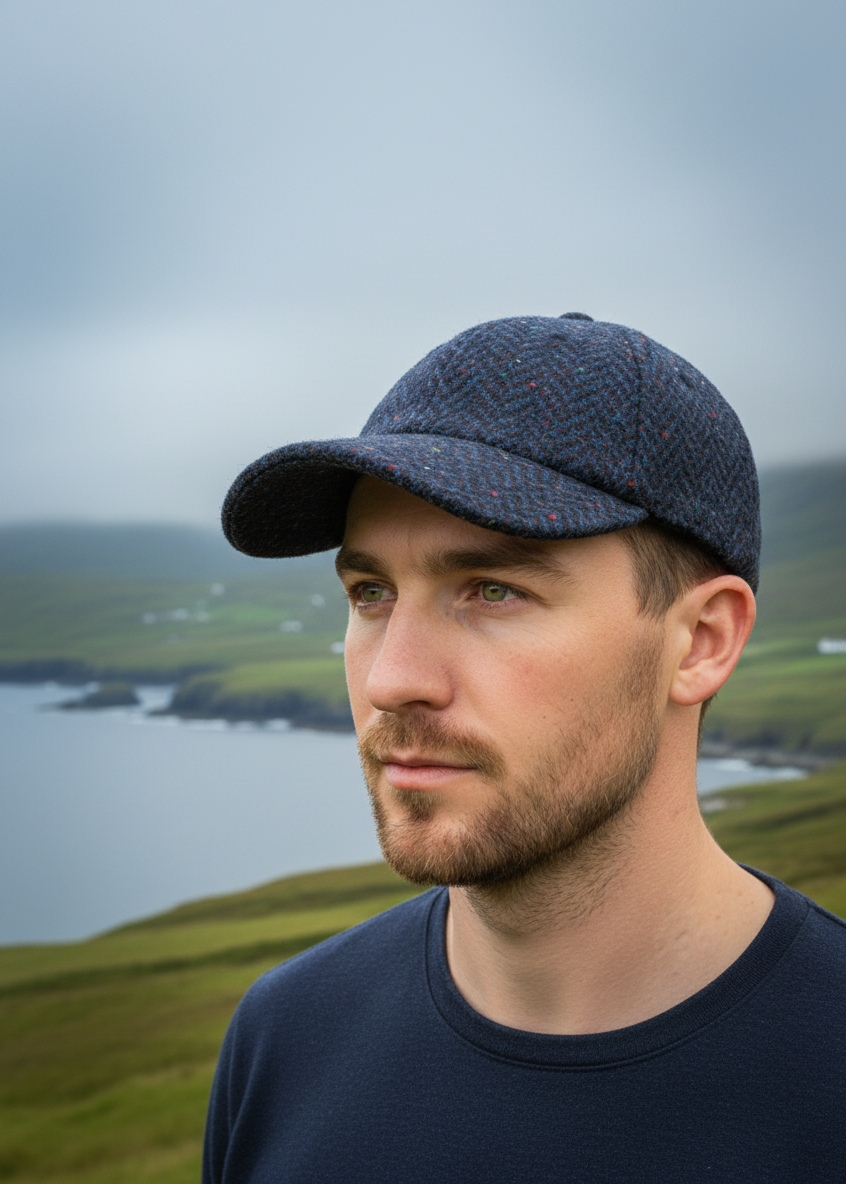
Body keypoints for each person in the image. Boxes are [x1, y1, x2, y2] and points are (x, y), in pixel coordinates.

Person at [203, 313, 846, 1183]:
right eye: (372, 592)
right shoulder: (285, 1037)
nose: (393, 679)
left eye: (494, 589)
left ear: (700, 642)